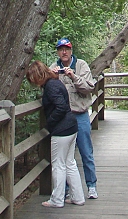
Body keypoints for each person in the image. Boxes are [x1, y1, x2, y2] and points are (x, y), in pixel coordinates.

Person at [25, 60, 85, 208]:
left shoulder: (51, 86)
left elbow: (61, 107)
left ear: (37, 76)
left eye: (33, 79)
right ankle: (78, 197)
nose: (33, 83)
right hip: (71, 127)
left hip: (62, 130)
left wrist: (49, 123)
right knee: (70, 163)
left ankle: (57, 200)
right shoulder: (55, 82)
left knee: (58, 165)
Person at [51, 38, 99, 199]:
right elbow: (48, 89)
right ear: (58, 51)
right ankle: (64, 190)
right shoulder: (54, 67)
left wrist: (73, 76)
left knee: (86, 152)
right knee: (64, 156)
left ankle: (91, 186)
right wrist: (54, 77)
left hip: (80, 115)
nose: (64, 52)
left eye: (67, 49)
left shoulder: (81, 65)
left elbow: (88, 88)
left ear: (71, 50)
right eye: (61, 49)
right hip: (63, 118)